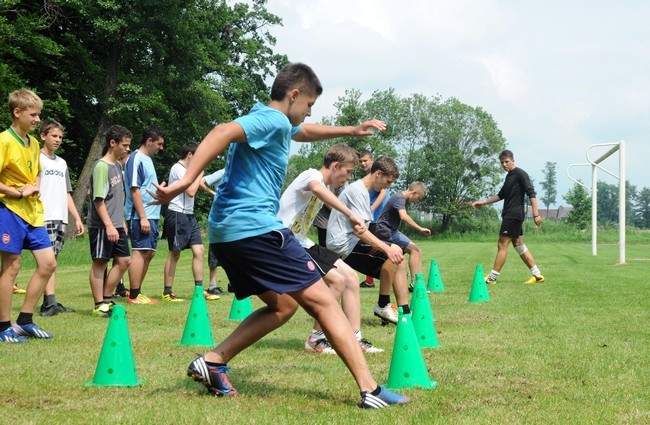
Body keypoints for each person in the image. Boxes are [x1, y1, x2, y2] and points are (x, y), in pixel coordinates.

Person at [150, 63, 410, 408]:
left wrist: (351, 129)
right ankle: (371, 391)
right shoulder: (272, 120)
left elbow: (303, 132)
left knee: (283, 305)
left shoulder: (275, 124)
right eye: (309, 105)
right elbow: (221, 130)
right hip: (256, 228)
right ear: (294, 95)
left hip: (227, 232)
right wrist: (187, 180)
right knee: (324, 301)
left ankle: (212, 362)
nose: (308, 113)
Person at [278, 144, 382, 354]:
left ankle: (355, 339)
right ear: (336, 166)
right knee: (336, 280)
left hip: (301, 240)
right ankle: (316, 339)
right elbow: (316, 188)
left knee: (351, 278)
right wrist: (350, 214)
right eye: (349, 171)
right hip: (284, 241)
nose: (349, 177)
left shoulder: (326, 186)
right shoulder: (311, 175)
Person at [0, 89, 56, 342]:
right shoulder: (4, 141)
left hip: (33, 212)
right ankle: (3, 328)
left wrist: (34, 185)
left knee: (48, 264)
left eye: (39, 115)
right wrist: (16, 192)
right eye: (33, 115)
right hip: (9, 210)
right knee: (11, 268)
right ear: (17, 112)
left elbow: (36, 173)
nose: (37, 120)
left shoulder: (34, 143)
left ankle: (24, 321)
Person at [327, 156, 409, 326]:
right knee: (393, 253)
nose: (388, 186)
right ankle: (383, 305)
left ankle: (405, 312)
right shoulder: (358, 192)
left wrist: (389, 249)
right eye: (388, 181)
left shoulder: (363, 191)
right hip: (343, 244)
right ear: (378, 174)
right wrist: (387, 249)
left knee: (398, 257)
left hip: (352, 241)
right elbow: (359, 232)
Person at [472, 150, 545, 285]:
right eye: (501, 163)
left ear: (513, 160)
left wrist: (536, 214)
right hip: (511, 215)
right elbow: (501, 195)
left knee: (502, 244)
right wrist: (483, 202)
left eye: (506, 162)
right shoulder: (509, 176)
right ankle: (537, 275)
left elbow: (531, 194)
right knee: (518, 244)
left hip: (513, 215)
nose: (504, 165)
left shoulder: (521, 174)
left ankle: (492, 278)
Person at [37, 119, 85, 316]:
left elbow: (67, 193)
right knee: (47, 262)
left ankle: (50, 301)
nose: (58, 140)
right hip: (43, 216)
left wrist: (77, 218)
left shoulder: (62, 163)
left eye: (60, 137)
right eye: (54, 136)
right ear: (43, 136)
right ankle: (47, 303)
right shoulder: (36, 158)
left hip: (60, 217)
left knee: (53, 260)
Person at [162, 142, 219, 302]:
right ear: (189, 155)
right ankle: (167, 292)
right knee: (175, 253)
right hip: (177, 213)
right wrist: (200, 171)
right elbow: (191, 191)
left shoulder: (189, 171)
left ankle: (199, 290)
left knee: (199, 250)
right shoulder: (178, 169)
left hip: (189, 215)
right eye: (198, 157)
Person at [87, 125, 133, 317]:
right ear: (112, 143)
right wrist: (108, 225)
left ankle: (107, 297)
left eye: (129, 145)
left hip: (116, 223)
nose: (128, 149)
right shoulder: (101, 167)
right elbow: (98, 199)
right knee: (101, 262)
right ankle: (99, 304)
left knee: (124, 260)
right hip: (102, 225)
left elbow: (116, 196)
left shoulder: (118, 166)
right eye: (125, 145)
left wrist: (120, 221)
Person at [124, 125, 164, 304]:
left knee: (149, 253)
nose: (160, 148)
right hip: (141, 215)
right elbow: (134, 189)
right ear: (149, 141)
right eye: (159, 144)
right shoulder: (136, 158)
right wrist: (142, 217)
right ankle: (133, 295)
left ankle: (138, 291)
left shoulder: (148, 159)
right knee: (140, 251)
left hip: (153, 214)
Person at [374, 181, 431, 292]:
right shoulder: (399, 198)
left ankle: (418, 282)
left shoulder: (401, 198)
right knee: (413, 251)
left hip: (393, 231)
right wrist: (420, 228)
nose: (417, 201)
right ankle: (415, 284)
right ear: (414, 192)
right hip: (385, 232)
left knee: (416, 250)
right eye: (418, 198)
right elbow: (403, 216)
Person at [358, 149, 389, 289]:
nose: (363, 163)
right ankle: (370, 280)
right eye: (360, 161)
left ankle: (389, 275)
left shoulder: (377, 176)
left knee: (374, 249)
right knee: (372, 248)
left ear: (372, 160)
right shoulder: (371, 176)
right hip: (374, 219)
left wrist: (370, 210)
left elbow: (383, 193)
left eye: (365, 160)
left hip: (376, 219)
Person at [199, 169, 229, 296]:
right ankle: (212, 286)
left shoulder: (241, 172)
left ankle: (234, 283)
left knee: (234, 251)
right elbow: (201, 182)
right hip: (218, 218)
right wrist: (214, 194)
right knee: (215, 250)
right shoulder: (223, 172)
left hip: (231, 218)